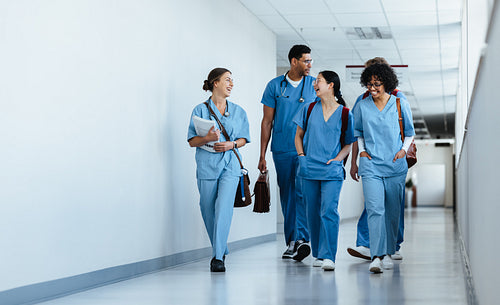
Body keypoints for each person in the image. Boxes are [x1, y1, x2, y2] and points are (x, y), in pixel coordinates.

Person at [352, 63, 415, 273]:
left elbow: (410, 132)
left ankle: (389, 251)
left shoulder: (399, 103)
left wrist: (403, 151)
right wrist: (361, 151)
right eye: (369, 84)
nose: (372, 88)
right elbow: (358, 132)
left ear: (386, 83)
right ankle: (376, 256)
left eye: (377, 84)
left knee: (393, 211)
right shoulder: (362, 106)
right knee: (374, 209)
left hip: (395, 164)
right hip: (370, 164)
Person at [187, 68, 250, 272]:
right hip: (206, 166)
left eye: (232, 81)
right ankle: (221, 247)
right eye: (227, 80)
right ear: (215, 83)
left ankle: (217, 258)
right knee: (207, 208)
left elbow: (244, 139)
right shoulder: (200, 110)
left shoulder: (238, 111)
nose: (231, 84)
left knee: (224, 208)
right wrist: (207, 139)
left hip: (230, 165)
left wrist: (231, 144)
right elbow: (191, 141)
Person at [259, 45, 316, 261]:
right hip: (282, 147)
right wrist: (262, 155)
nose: (310, 65)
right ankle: (293, 241)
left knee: (303, 192)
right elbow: (266, 122)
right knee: (288, 194)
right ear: (294, 61)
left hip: (307, 149)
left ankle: (301, 238)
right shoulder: (275, 86)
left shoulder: (314, 85)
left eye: (310, 61)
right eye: (306, 61)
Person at [293, 71, 355, 271]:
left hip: (331, 171)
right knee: (312, 212)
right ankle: (318, 254)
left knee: (328, 210)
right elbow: (298, 136)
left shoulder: (345, 113)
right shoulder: (309, 108)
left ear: (331, 85)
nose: (314, 84)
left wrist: (337, 160)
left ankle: (329, 256)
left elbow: (348, 144)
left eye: (318, 81)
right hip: (309, 168)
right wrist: (302, 157)